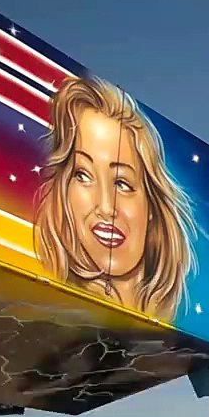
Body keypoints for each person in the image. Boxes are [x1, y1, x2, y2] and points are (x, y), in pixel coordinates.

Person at [34, 76, 197, 320]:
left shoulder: (176, 319)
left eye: (122, 183)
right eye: (83, 175)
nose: (105, 207)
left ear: (152, 205)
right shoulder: (48, 306)